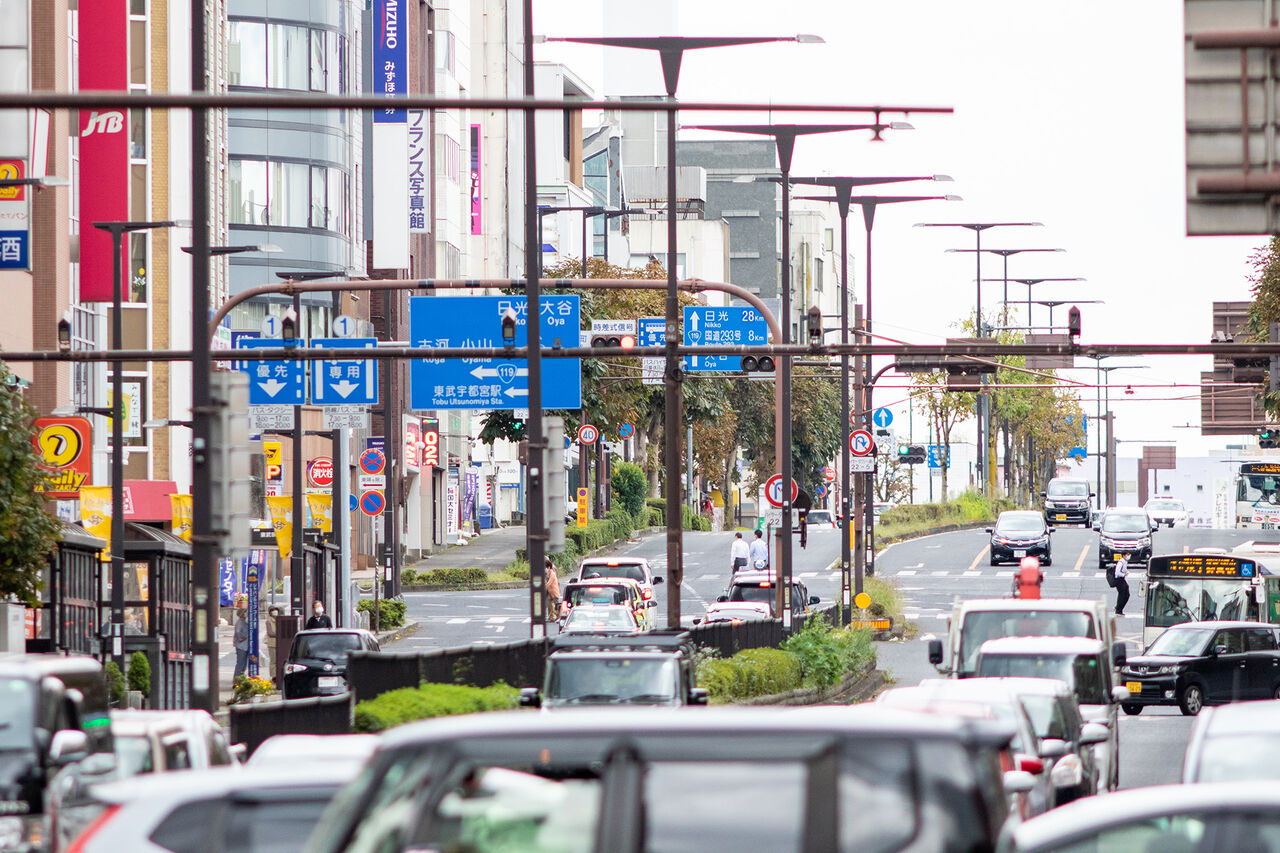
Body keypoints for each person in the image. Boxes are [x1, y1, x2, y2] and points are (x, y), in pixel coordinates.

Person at [265, 605, 281, 684]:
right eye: (273, 611)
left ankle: (278, 675)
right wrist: (279, 633)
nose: (275, 612)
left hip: (279, 643)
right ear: (270, 613)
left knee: (279, 660)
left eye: (276, 610)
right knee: (273, 660)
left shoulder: (279, 619)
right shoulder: (269, 621)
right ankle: (273, 676)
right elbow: (270, 633)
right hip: (272, 644)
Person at [233, 604, 250, 680]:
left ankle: (240, 678)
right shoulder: (240, 622)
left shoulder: (246, 622)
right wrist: (242, 638)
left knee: (244, 665)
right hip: (241, 646)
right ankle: (237, 680)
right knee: (241, 664)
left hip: (245, 645)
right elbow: (238, 633)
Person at [545, 557, 563, 623]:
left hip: (554, 592)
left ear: (548, 567)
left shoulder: (552, 574)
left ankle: (558, 615)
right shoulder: (549, 573)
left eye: (546, 567)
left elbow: (549, 583)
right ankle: (551, 618)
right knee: (550, 605)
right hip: (550, 592)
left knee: (554, 606)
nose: (545, 569)